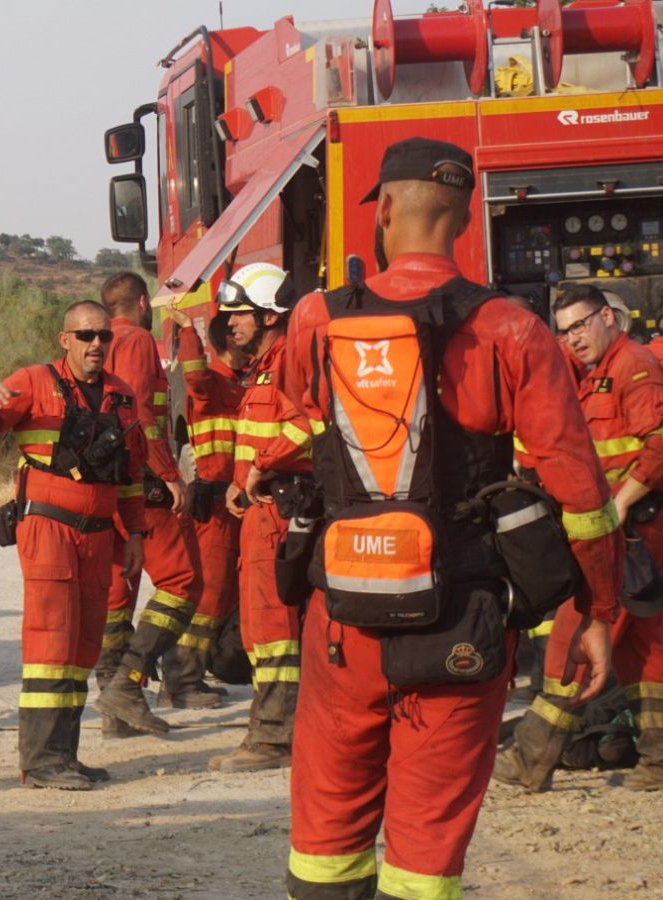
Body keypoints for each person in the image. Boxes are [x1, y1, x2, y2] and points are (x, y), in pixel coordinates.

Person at [277, 138, 622, 898]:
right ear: (464, 218)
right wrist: (597, 608)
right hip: (460, 616)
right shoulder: (512, 327)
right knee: (426, 838)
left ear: (387, 209)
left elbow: (295, 425)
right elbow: (580, 491)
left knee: (326, 832)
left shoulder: (314, 318)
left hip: (344, 616)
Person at [0, 300, 149, 789]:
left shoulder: (121, 397)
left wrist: (137, 536)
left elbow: (131, 478)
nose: (96, 345)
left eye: (104, 336)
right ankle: (41, 761)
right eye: (86, 336)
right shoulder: (36, 381)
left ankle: (65, 755)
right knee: (51, 641)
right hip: (49, 530)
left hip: (100, 535)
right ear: (65, 340)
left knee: (84, 643)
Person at [494, 284, 663, 793]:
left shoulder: (633, 366)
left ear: (608, 318)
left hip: (629, 534)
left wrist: (621, 504)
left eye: (581, 325)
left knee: (572, 641)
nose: (573, 338)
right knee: (643, 653)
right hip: (631, 532)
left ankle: (531, 757)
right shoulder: (595, 375)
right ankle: (657, 761)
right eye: (564, 331)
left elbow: (659, 442)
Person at [93, 273, 206, 733]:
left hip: (109, 485)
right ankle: (127, 682)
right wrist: (169, 475)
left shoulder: (95, 344)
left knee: (119, 592)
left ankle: (114, 708)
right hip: (143, 482)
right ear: (142, 302)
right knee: (182, 582)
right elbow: (140, 414)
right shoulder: (137, 340)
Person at [206, 263, 306, 774]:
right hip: (261, 509)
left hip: (279, 514)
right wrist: (240, 480)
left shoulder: (289, 360)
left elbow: (308, 424)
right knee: (264, 627)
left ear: (269, 315)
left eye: (239, 314)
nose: (231, 324)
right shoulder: (265, 365)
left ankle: (272, 738)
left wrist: (261, 469)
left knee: (274, 629)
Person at [165, 298, 251, 707]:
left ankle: (194, 674)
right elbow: (194, 375)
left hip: (237, 505)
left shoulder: (242, 383)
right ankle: (181, 681)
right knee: (209, 593)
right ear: (229, 341)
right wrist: (186, 329)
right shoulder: (211, 382)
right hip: (214, 505)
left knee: (227, 590)